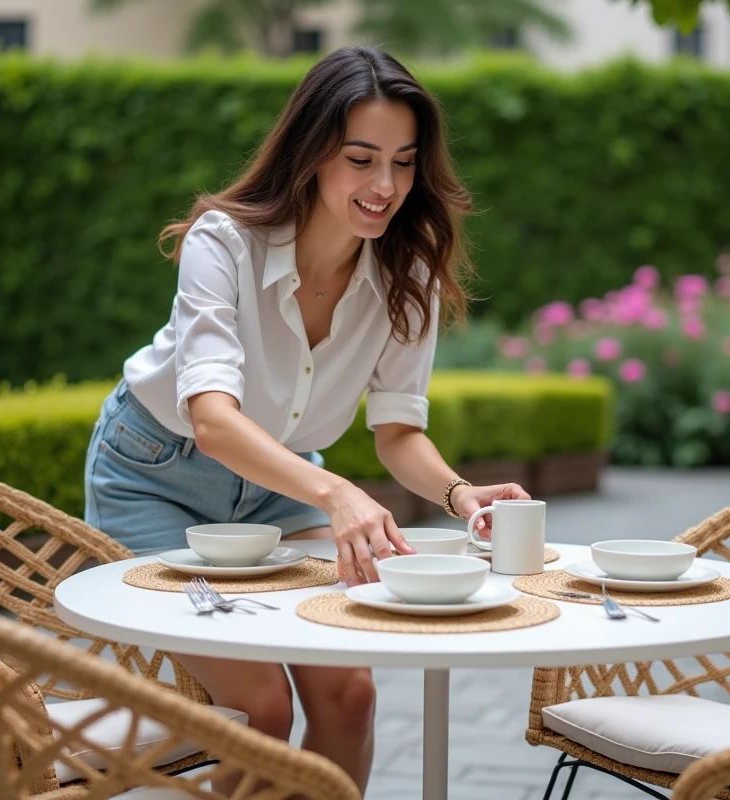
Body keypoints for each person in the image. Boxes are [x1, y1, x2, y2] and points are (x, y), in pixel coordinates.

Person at [82, 45, 530, 791]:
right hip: (155, 477)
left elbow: (398, 431)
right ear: (313, 152)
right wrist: (337, 494)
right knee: (260, 708)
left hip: (279, 490)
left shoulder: (408, 271)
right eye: (360, 159)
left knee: (351, 694)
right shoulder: (223, 242)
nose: (384, 185)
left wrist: (460, 494)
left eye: (404, 163)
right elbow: (213, 420)